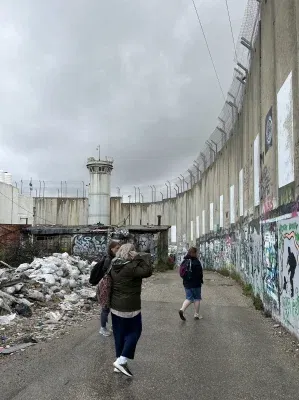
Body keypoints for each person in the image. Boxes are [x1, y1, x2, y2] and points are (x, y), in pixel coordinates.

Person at [110, 243, 152, 377]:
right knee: (135, 332)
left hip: (115, 306)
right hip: (130, 307)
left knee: (119, 335)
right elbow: (148, 271)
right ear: (131, 253)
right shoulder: (130, 267)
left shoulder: (114, 264)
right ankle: (121, 361)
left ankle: (118, 361)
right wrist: (138, 257)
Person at [89, 240, 120, 337]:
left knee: (113, 308)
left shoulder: (114, 258)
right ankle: (102, 328)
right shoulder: (109, 260)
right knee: (105, 308)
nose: (118, 250)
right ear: (111, 249)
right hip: (106, 287)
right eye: (117, 248)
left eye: (119, 248)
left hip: (111, 286)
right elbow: (107, 274)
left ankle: (112, 326)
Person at [179, 247, 203, 321]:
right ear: (194, 253)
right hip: (196, 284)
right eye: (196, 253)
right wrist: (200, 281)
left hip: (187, 284)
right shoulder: (196, 262)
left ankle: (182, 310)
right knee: (197, 298)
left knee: (188, 298)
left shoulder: (185, 261)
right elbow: (200, 274)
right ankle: (196, 314)